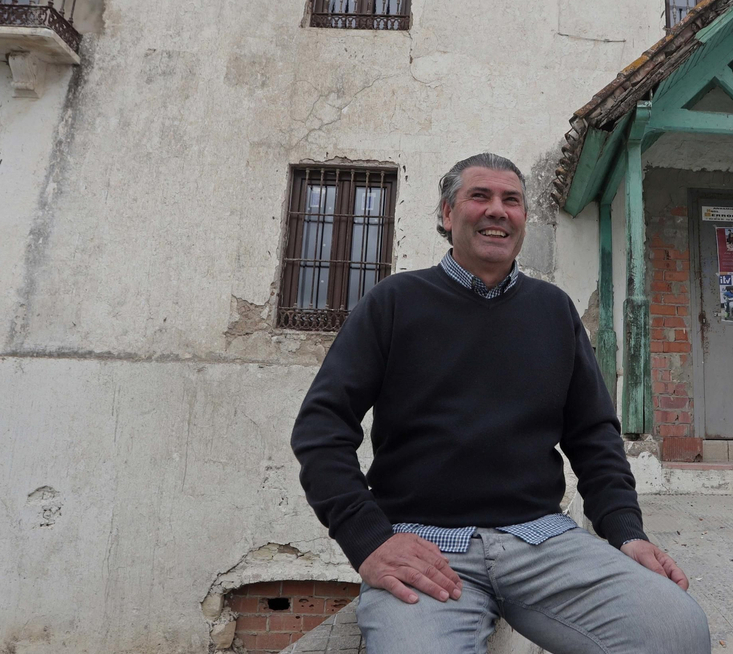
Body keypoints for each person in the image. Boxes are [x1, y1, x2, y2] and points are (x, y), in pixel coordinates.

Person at [291, 153, 710, 654]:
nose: (497, 210)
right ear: (447, 215)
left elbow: (593, 434)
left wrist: (626, 532)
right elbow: (322, 428)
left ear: (523, 219)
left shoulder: (553, 309)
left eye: (511, 200)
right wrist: (369, 541)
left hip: (542, 541)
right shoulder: (394, 301)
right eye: (480, 196)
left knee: (678, 632)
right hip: (426, 547)